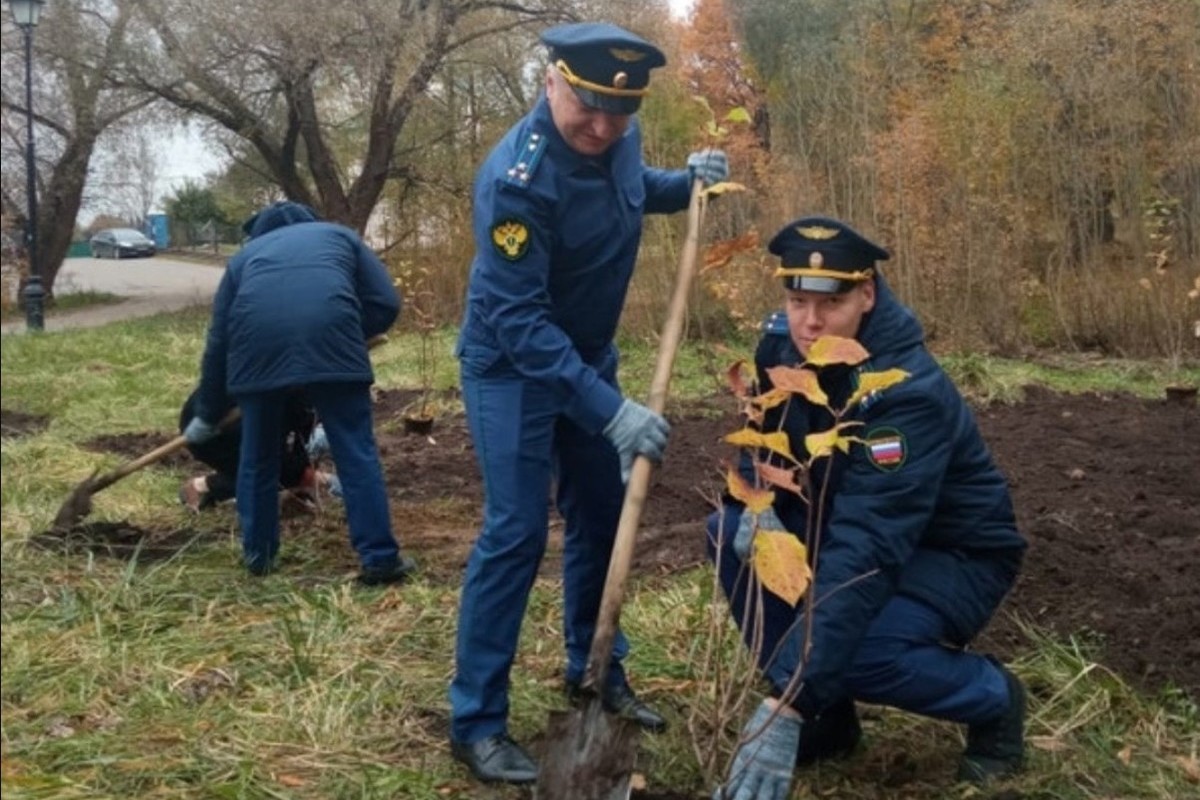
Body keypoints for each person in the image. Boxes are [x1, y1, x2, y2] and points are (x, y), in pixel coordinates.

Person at [448, 21, 731, 785]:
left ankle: (596, 665)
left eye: (620, 111)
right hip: (511, 367)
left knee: (601, 515)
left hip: (587, 361)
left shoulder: (619, 141)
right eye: (589, 108)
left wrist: (689, 182)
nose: (603, 127)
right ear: (552, 83)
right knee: (514, 531)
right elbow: (518, 320)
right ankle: (475, 720)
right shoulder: (516, 181)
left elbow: (632, 193)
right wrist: (609, 410)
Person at [707, 216, 1028, 799]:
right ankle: (830, 721)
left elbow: (869, 543)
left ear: (867, 295)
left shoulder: (906, 392)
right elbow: (765, 438)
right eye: (796, 299)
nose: (809, 321)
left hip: (950, 551)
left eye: (828, 304)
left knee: (862, 654)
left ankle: (993, 699)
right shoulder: (782, 345)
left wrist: (789, 698)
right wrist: (756, 499)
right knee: (727, 531)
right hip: (846, 527)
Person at [183, 200, 414, 586]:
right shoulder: (340, 237)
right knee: (355, 453)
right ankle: (380, 561)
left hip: (256, 359)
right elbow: (385, 303)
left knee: (257, 458)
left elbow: (220, 339)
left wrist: (207, 411)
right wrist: (347, 336)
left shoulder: (243, 259)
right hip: (334, 347)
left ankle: (259, 558)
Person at [177, 387, 324, 513]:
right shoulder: (305, 391)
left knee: (293, 469)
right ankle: (203, 486)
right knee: (285, 474)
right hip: (215, 431)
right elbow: (300, 437)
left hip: (204, 419)